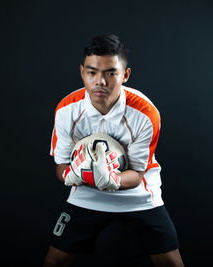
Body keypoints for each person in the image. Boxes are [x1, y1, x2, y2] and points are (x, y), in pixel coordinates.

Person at [43, 34, 184, 267]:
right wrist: (72, 175)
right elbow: (61, 167)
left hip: (139, 195)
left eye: (111, 73)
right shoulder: (67, 110)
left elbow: (138, 174)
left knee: (172, 263)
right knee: (53, 261)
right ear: (82, 73)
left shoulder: (146, 114)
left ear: (125, 75)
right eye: (92, 72)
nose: (100, 81)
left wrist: (112, 179)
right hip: (87, 194)